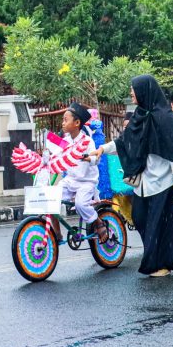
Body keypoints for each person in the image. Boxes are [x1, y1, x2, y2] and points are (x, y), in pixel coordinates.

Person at [94, 75, 173, 276]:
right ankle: (161, 260)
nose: (131, 93)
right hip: (144, 183)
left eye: (134, 89)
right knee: (140, 218)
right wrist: (102, 150)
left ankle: (162, 265)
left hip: (164, 182)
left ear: (144, 91)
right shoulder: (139, 116)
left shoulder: (164, 117)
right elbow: (125, 141)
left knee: (162, 226)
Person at [56, 103, 101, 242]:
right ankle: (56, 234)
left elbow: (96, 158)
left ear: (76, 123)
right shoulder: (65, 141)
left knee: (81, 204)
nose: (62, 123)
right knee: (51, 200)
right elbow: (56, 155)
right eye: (63, 120)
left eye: (65, 120)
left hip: (86, 182)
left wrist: (88, 158)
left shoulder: (87, 141)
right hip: (70, 180)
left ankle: (98, 222)